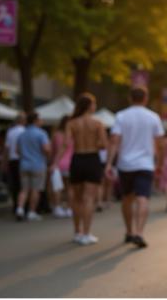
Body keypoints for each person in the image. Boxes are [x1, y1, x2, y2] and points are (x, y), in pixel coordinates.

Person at [105, 86, 164, 249]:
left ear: (130, 98)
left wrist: (109, 163)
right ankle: (139, 232)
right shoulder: (154, 117)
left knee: (127, 199)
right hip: (146, 164)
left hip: (126, 164)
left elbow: (114, 140)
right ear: (146, 98)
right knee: (143, 198)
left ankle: (129, 231)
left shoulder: (121, 116)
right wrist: (159, 163)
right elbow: (160, 144)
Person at [60, 93, 107, 245]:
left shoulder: (72, 123)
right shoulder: (98, 123)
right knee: (89, 198)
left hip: (78, 159)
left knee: (77, 198)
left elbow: (66, 144)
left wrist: (55, 162)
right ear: (89, 106)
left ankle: (77, 232)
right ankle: (86, 233)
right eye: (94, 104)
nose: (95, 106)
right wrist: (94, 143)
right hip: (92, 159)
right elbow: (104, 144)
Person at [15, 112, 51, 222]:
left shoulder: (22, 134)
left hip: (24, 164)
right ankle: (31, 211)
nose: (42, 121)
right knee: (36, 189)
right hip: (38, 164)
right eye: (40, 119)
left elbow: (17, 151)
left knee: (24, 189)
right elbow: (46, 149)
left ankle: (20, 209)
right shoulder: (41, 134)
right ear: (35, 120)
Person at [50, 116, 73, 218]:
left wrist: (53, 163)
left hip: (58, 164)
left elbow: (53, 151)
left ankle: (58, 207)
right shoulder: (73, 136)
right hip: (71, 164)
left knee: (57, 187)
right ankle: (69, 208)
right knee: (70, 188)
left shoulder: (56, 135)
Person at [3, 112, 26, 215]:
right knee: (23, 185)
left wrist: (5, 161)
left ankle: (16, 205)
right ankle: (22, 206)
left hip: (12, 160)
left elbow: (7, 148)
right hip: (22, 160)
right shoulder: (25, 131)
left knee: (15, 185)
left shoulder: (10, 132)